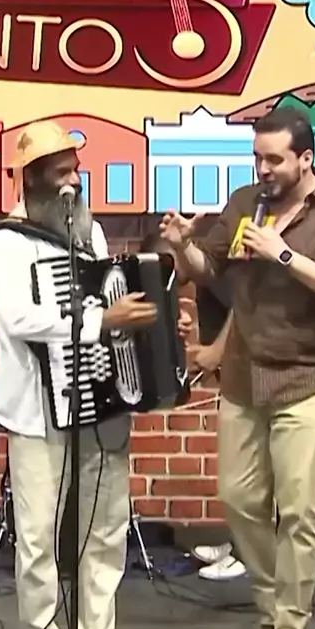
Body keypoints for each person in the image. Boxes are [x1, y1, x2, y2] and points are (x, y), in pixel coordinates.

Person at [159, 106, 315, 629]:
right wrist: (183, 246)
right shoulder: (243, 204)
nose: (263, 169)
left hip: (309, 378)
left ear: (306, 158)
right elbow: (209, 269)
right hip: (244, 377)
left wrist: (283, 252)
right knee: (239, 500)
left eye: (274, 159)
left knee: (300, 510)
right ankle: (273, 610)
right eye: (257, 158)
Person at [0, 120, 190, 629]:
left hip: (98, 404)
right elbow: (20, 319)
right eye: (60, 172)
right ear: (31, 179)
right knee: (39, 535)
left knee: (107, 527)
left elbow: (104, 294)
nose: (72, 181)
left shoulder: (89, 233)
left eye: (75, 170)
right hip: (35, 411)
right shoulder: (4, 242)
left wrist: (152, 324)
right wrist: (102, 320)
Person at [140, 233, 246, 581]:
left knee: (249, 473)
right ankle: (242, 542)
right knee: (237, 470)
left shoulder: (220, 272)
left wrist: (216, 351)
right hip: (238, 377)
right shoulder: (206, 278)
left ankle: (249, 554)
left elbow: (246, 305)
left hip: (260, 379)